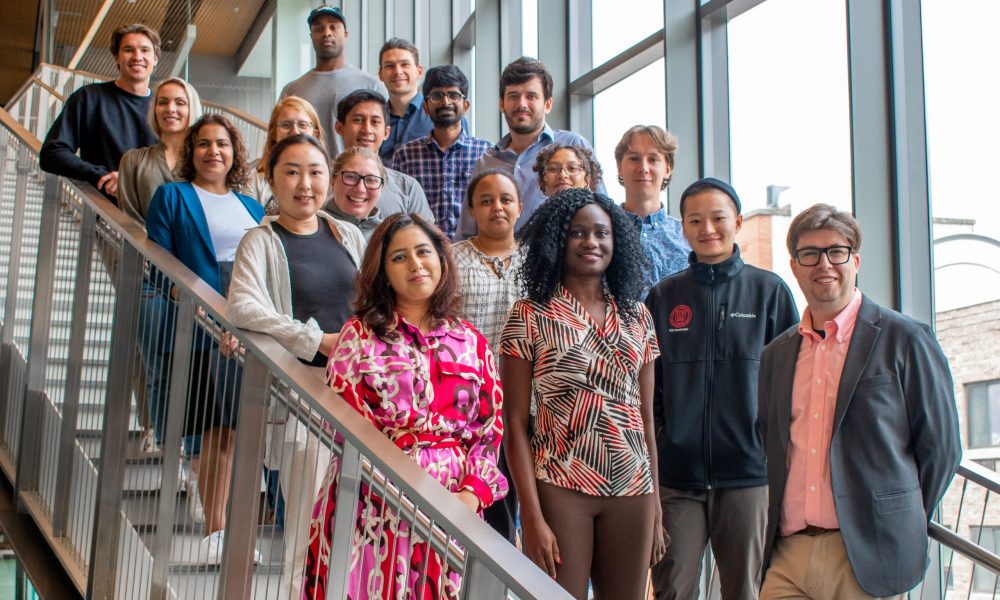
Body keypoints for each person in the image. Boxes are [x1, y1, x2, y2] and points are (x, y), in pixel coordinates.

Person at [757, 204, 961, 599]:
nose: (824, 264)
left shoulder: (905, 339)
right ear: (795, 266)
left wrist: (897, 516)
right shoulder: (776, 356)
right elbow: (772, 444)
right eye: (810, 254)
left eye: (837, 251)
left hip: (868, 554)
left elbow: (942, 448)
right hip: (787, 554)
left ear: (856, 260)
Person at [303, 213, 508, 599]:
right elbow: (344, 424)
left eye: (423, 252)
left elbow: (489, 431)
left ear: (442, 260)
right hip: (373, 502)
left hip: (453, 507)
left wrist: (467, 497)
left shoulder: (471, 341)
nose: (415, 264)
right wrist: (400, 486)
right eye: (399, 257)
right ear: (382, 272)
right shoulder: (358, 336)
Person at [500, 189, 666, 600]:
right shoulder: (530, 314)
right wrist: (532, 517)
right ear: (557, 240)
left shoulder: (637, 314)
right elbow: (515, 424)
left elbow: (646, 418)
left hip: (633, 488)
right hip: (561, 483)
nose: (591, 242)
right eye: (577, 233)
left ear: (616, 242)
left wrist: (657, 508)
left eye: (601, 233)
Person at [645, 178, 798, 600]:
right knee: (673, 591)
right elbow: (649, 387)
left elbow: (790, 386)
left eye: (718, 218)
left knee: (746, 592)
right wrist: (663, 440)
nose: (707, 228)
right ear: (683, 227)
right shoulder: (663, 297)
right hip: (678, 480)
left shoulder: (770, 293)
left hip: (748, 477)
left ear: (739, 222)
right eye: (695, 219)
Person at [226, 134, 363, 597]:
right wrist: (315, 339)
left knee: (356, 529)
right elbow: (243, 306)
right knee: (308, 526)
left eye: (316, 172)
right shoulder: (260, 241)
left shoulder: (348, 233)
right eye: (292, 171)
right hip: (302, 394)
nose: (306, 183)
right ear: (271, 177)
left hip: (360, 393)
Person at [145, 114, 266, 564]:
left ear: (235, 152)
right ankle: (218, 530)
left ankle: (230, 526)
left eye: (222, 143)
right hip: (204, 320)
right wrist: (196, 301)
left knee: (238, 431)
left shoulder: (253, 207)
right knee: (217, 430)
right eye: (203, 144)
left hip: (249, 320)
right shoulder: (172, 195)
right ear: (191, 152)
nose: (214, 151)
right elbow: (157, 257)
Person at [117, 76, 202, 460]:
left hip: (197, 277)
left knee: (195, 363)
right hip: (151, 276)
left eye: (180, 102)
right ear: (154, 110)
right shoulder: (134, 160)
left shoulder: (203, 159)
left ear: (192, 108)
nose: (171, 109)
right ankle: (157, 429)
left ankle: (191, 443)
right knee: (155, 360)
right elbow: (132, 218)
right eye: (164, 102)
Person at [452, 169, 523, 542]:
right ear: (472, 211)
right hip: (471, 406)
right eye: (486, 200)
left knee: (526, 498)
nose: (497, 207)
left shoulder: (538, 263)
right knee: (487, 503)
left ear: (519, 207)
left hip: (528, 403)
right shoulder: (451, 260)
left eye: (506, 199)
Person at [458, 57, 602, 238]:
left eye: (531, 96)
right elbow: (467, 231)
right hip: (498, 264)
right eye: (513, 96)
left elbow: (602, 212)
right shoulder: (486, 162)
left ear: (547, 104)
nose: (521, 104)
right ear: (501, 104)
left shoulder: (573, 146)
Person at [40, 23, 160, 200]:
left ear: (156, 58)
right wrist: (100, 175)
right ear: (116, 57)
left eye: (145, 50)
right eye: (128, 49)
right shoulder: (89, 98)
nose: (137, 56)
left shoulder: (166, 109)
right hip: (102, 217)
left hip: (154, 219)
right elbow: (53, 153)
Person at [391, 65, 492, 239]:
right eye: (437, 96)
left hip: (474, 251)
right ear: (426, 106)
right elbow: (397, 212)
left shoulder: (486, 154)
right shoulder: (405, 156)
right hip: (424, 251)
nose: (446, 102)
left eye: (453, 95)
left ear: (465, 105)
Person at [279, 5, 387, 156]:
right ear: (311, 36)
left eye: (333, 27)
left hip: (356, 176)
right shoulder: (292, 90)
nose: (326, 33)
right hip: (308, 176)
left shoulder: (372, 86)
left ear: (346, 34)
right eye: (319, 28)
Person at [324, 90, 434, 228]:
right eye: (358, 120)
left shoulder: (407, 188)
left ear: (386, 132)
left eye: (375, 122)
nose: (367, 129)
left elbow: (427, 241)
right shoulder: (320, 183)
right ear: (340, 127)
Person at [616, 125, 690, 293]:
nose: (643, 168)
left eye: (653, 159)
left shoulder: (687, 236)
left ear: (668, 169)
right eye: (634, 158)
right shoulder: (602, 232)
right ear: (620, 167)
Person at [243, 96, 326, 213]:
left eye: (302, 125)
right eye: (286, 125)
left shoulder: (326, 179)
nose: (295, 131)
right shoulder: (256, 182)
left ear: (315, 134)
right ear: (274, 134)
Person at [532, 143, 602, 197]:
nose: (562, 175)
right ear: (543, 181)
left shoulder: (591, 214)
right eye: (553, 169)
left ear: (587, 180)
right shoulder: (543, 214)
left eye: (572, 168)